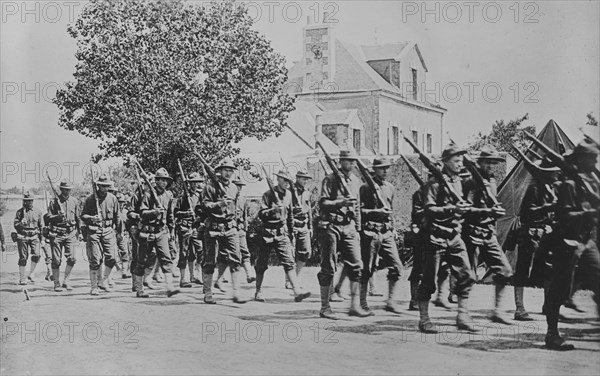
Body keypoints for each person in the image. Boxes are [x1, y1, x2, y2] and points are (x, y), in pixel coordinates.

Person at [544, 139, 599, 350]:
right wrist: (591, 213)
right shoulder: (569, 184)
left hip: (586, 241)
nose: (595, 161)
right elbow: (564, 215)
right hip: (567, 241)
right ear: (580, 160)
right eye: (591, 157)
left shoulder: (592, 181)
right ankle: (552, 334)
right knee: (560, 289)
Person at [416, 144, 476, 333]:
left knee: (467, 274)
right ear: (446, 163)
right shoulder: (433, 184)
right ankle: (424, 319)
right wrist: (452, 209)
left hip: (454, 236)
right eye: (456, 161)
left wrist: (464, 209)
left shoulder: (459, 182)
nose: (460, 164)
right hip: (435, 236)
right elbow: (429, 209)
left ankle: (462, 315)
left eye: (461, 161)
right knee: (429, 281)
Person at [462, 146, 513, 324]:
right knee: (468, 275)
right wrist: (488, 211)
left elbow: (494, 205)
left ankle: (497, 311)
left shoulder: (492, 181)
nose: (491, 165)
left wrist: (495, 212)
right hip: (471, 233)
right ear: (480, 163)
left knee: (505, 271)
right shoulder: (471, 182)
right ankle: (462, 313)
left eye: (494, 162)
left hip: (488, 233)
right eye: (488, 162)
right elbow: (466, 209)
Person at [317, 149, 369, 319]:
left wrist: (358, 230)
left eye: (354, 161)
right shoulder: (330, 179)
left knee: (356, 265)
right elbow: (323, 203)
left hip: (349, 226)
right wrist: (341, 203)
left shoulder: (355, 181)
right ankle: (325, 307)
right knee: (328, 267)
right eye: (349, 161)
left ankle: (354, 306)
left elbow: (358, 208)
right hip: (332, 225)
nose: (352, 164)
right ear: (341, 161)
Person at [254, 169, 311, 302]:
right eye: (284, 180)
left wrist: (291, 233)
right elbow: (261, 214)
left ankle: (296, 291)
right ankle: (258, 291)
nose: (287, 183)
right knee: (261, 264)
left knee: (289, 263)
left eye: (289, 181)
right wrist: (272, 210)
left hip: (282, 233)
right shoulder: (268, 194)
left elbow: (290, 215)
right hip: (267, 233)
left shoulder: (289, 194)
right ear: (278, 179)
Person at [514, 159, 560, 320]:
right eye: (554, 171)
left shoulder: (552, 188)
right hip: (531, 232)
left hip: (546, 232)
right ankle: (519, 308)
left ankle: (548, 305)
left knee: (549, 269)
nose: (557, 174)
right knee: (523, 269)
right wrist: (548, 207)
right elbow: (527, 212)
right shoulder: (534, 188)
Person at [358, 157, 403, 315]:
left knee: (397, 266)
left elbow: (391, 210)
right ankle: (362, 303)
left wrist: (394, 227)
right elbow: (360, 212)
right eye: (381, 168)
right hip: (371, 232)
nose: (385, 171)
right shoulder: (365, 188)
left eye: (387, 168)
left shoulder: (390, 187)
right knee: (367, 269)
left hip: (386, 232)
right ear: (374, 170)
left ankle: (390, 301)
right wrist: (376, 212)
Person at [200, 157, 248, 304]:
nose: (228, 173)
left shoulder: (233, 188)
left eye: (231, 171)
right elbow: (204, 206)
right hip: (213, 227)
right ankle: (208, 293)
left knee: (235, 258)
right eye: (226, 170)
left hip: (230, 227)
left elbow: (236, 208)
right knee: (210, 260)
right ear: (219, 171)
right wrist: (219, 204)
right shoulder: (210, 187)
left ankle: (236, 292)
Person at [132, 168, 180, 298]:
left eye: (165, 180)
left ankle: (170, 287)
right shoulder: (147, 195)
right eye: (161, 180)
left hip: (161, 232)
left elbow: (170, 215)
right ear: (156, 181)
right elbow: (142, 213)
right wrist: (155, 212)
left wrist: (171, 231)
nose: (163, 183)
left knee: (166, 258)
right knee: (142, 260)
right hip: (148, 232)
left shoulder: (168, 195)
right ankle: (139, 288)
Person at [81, 174, 120, 295]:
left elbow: (117, 215)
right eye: (103, 186)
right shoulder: (90, 199)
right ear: (98, 186)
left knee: (112, 257)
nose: (105, 188)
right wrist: (92, 218)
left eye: (107, 186)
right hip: (94, 230)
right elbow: (83, 216)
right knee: (95, 259)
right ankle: (94, 286)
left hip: (108, 230)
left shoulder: (112, 198)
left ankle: (103, 280)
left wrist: (119, 231)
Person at [46, 180, 81, 291]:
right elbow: (47, 217)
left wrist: (79, 233)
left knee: (72, 258)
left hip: (70, 233)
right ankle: (56, 283)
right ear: (61, 189)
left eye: (69, 189)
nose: (68, 191)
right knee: (56, 260)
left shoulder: (74, 201)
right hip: (57, 233)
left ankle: (66, 280)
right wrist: (57, 217)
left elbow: (78, 217)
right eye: (65, 189)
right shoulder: (54, 202)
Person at [174, 172, 205, 288]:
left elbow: (202, 210)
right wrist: (186, 213)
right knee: (184, 252)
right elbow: (175, 212)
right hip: (185, 227)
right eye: (192, 183)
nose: (195, 185)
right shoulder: (182, 197)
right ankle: (183, 278)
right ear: (189, 184)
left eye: (197, 182)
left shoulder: (199, 197)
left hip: (196, 227)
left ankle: (195, 275)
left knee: (200, 251)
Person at [13, 192, 43, 285]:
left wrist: (42, 239)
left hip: (34, 235)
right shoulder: (19, 212)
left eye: (30, 201)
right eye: (26, 201)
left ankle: (31, 273)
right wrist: (21, 223)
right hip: (23, 236)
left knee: (37, 255)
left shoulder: (38, 211)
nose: (29, 203)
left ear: (32, 201)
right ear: (24, 202)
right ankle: (22, 278)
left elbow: (40, 226)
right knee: (23, 258)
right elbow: (15, 225)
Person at [116, 193, 132, 279]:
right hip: (114, 234)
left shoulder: (126, 212)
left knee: (125, 252)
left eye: (122, 202)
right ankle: (116, 269)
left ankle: (124, 272)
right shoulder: (113, 212)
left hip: (124, 235)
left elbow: (129, 224)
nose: (120, 204)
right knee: (112, 254)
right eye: (119, 202)